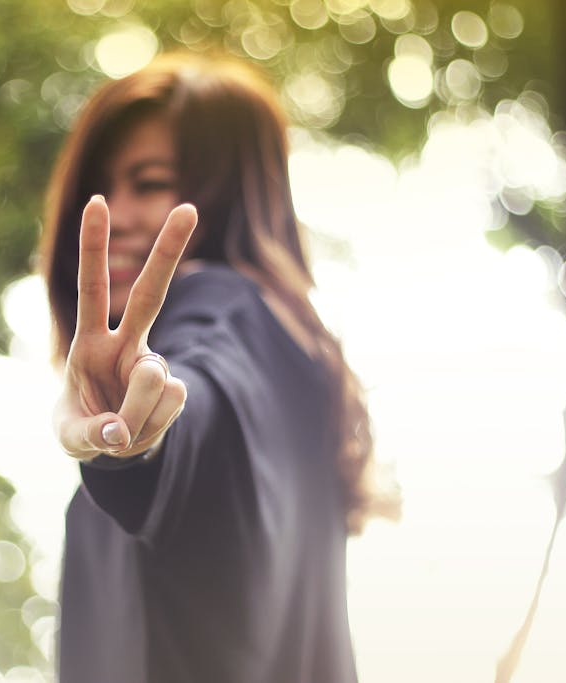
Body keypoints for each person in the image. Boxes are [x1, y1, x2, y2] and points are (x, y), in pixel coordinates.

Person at [39, 52, 396, 683]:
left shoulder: (218, 305)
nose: (115, 214)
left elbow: (202, 393)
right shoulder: (306, 359)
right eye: (102, 188)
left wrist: (143, 432)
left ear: (226, 193)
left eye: (149, 183)